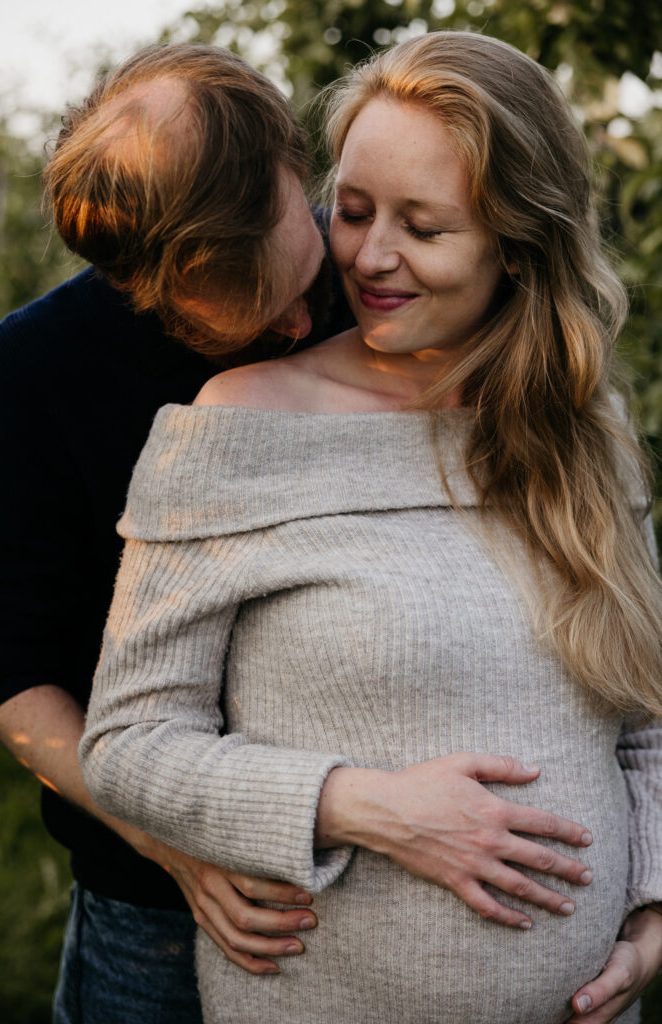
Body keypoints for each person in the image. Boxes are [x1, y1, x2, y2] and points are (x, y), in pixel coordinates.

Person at [79, 31, 662, 1024]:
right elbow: (128, 745)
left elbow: (645, 725)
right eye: (350, 212)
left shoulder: (582, 431)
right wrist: (362, 804)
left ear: (517, 240)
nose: (369, 256)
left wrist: (650, 905)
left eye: (423, 228)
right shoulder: (237, 425)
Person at [0, 42, 355, 1024]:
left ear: (290, 159)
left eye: (303, 292)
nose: (297, 334)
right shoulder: (26, 378)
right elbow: (5, 666)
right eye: (248, 322)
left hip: (394, 875)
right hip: (157, 905)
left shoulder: (388, 282)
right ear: (134, 277)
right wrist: (168, 839)